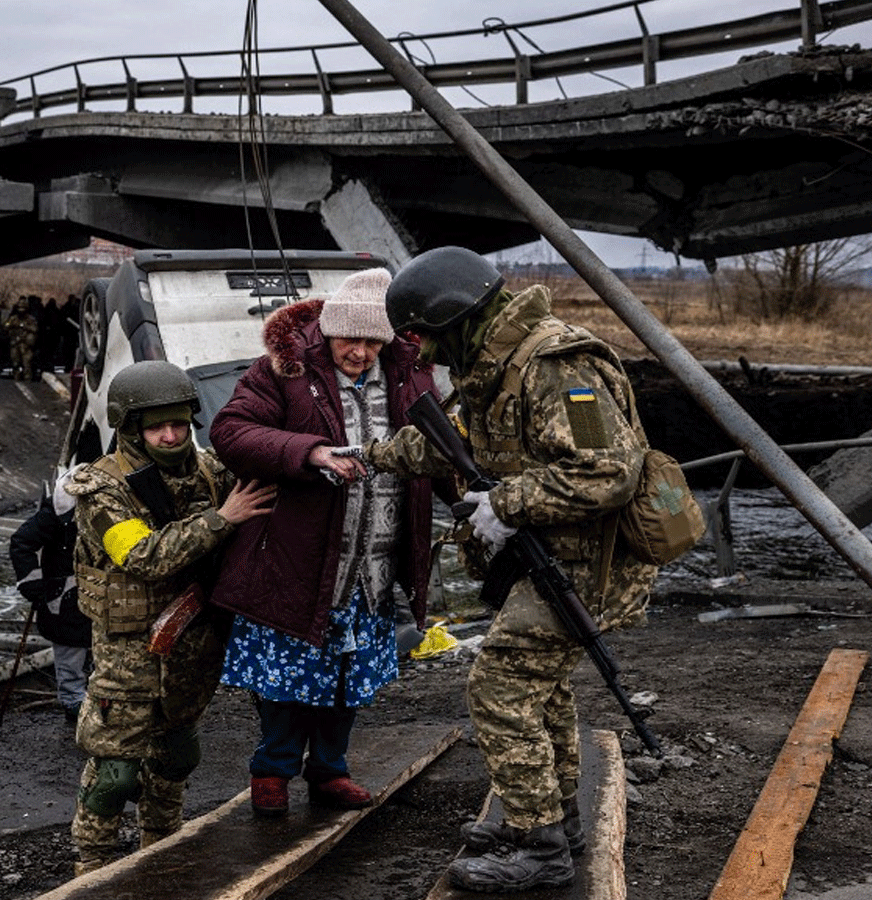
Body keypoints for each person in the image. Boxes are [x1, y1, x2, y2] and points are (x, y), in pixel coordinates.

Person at [362, 247, 658, 893]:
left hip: (591, 564)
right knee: (539, 689)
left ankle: (541, 848)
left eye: (429, 339)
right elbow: (454, 439)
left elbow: (608, 470)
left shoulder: (561, 366)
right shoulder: (496, 368)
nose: (429, 358)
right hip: (553, 554)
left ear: (456, 318)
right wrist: (367, 457)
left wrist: (505, 502)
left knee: (497, 687)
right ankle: (553, 825)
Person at [208, 267, 449, 818]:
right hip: (297, 557)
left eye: (372, 340)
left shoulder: (410, 373)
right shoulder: (285, 370)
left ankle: (330, 770)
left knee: (348, 677)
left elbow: (437, 442)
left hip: (374, 565)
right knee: (286, 677)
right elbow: (231, 432)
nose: (360, 352)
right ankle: (272, 770)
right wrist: (311, 452)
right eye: (350, 339)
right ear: (328, 332)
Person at [63, 360, 276, 874]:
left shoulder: (208, 470)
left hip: (192, 647)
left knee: (176, 758)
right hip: (128, 654)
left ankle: (161, 856)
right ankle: (91, 870)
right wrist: (221, 519)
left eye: (179, 423)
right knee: (114, 774)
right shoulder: (101, 490)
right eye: (157, 425)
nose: (170, 434)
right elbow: (142, 556)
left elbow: (264, 473)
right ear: (130, 427)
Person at [8, 467, 93, 726]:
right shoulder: (58, 509)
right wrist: (32, 584)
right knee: (70, 663)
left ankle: (93, 715)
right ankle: (75, 715)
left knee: (95, 661)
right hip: (64, 601)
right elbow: (22, 542)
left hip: (97, 598)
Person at [1, 296, 38, 381]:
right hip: (15, 343)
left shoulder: (30, 319)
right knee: (15, 364)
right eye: (19, 308)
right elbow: (5, 326)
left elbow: (35, 329)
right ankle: (17, 380)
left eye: (23, 308)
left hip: (25, 345)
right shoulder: (13, 318)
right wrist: (11, 325)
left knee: (27, 365)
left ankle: (28, 382)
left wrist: (24, 326)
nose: (21, 310)